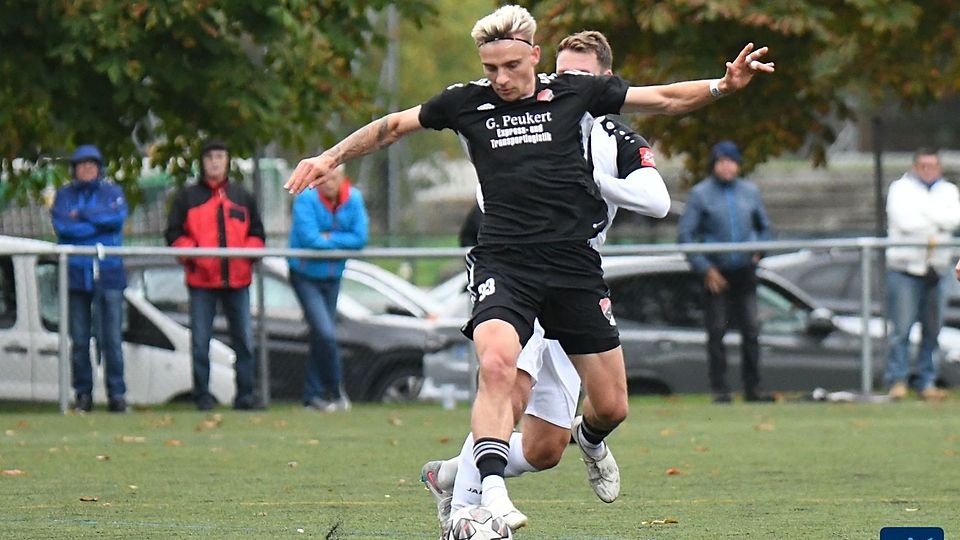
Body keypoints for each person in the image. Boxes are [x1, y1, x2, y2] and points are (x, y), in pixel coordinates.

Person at [284, 5, 773, 530]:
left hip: (573, 267)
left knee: (607, 408)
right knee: (498, 369)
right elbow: (393, 126)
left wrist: (724, 86)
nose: (501, 79)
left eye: (512, 66)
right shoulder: (466, 101)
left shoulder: (574, 92)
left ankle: (524, 460)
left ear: (535, 56)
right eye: (491, 68)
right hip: (505, 262)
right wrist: (330, 157)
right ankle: (483, 499)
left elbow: (666, 98)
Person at [420, 30, 673, 537]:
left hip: (576, 278)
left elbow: (658, 202)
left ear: (604, 81)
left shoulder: (617, 139)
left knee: (549, 445)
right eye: (558, 71)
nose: (560, 83)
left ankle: (453, 473)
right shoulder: (511, 118)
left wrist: (592, 183)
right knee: (506, 383)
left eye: (577, 76)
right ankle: (475, 510)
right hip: (518, 271)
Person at [164, 139, 266, 411]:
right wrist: (196, 256)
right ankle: (202, 396)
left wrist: (246, 257)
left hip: (237, 280)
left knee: (243, 340)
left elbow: (257, 234)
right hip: (202, 282)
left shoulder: (242, 196)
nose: (215, 161)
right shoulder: (187, 197)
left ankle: (245, 395)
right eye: (210, 157)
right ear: (203, 162)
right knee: (200, 342)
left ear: (227, 161)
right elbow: (174, 234)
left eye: (220, 156)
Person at [677, 140, 773, 404]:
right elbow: (685, 236)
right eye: (721, 161)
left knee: (751, 330)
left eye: (731, 161)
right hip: (716, 274)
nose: (727, 166)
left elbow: (765, 227)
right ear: (714, 165)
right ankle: (720, 389)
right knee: (717, 331)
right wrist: (705, 268)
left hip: (744, 271)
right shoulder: (700, 194)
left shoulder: (750, 192)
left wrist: (759, 250)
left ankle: (753, 388)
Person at [51, 144, 129, 413]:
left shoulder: (112, 192)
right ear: (74, 169)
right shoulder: (64, 196)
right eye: (82, 164)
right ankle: (83, 395)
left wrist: (83, 216)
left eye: (92, 164)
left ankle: (117, 395)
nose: (87, 169)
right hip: (75, 275)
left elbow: (116, 218)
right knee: (80, 340)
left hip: (109, 275)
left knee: (112, 340)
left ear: (99, 168)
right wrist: (97, 224)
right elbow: (63, 227)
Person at [288, 164, 369, 412]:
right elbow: (310, 239)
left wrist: (328, 239)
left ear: (342, 177)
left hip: (333, 276)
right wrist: (338, 242)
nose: (328, 181)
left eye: (333, 176)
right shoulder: (306, 199)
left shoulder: (353, 198)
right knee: (325, 333)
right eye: (323, 177)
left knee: (321, 336)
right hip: (305, 275)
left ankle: (314, 397)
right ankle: (335, 389)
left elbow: (360, 238)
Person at [887, 149, 960, 401]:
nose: (928, 170)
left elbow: (954, 219)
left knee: (933, 329)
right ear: (915, 167)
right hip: (905, 268)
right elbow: (905, 222)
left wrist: (927, 216)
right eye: (923, 165)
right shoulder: (901, 189)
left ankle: (926, 380)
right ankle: (898, 379)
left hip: (937, 268)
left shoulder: (948, 190)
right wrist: (937, 221)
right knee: (902, 329)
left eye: (933, 165)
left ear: (939, 167)